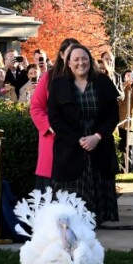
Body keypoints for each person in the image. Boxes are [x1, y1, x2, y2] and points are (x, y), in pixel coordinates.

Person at [47, 44, 120, 223]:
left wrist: (97, 137)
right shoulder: (58, 85)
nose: (81, 63)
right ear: (69, 63)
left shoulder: (103, 82)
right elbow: (55, 119)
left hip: (99, 144)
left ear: (90, 60)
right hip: (70, 147)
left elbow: (113, 115)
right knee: (72, 200)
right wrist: (78, 139)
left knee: (97, 186)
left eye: (84, 58)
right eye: (76, 59)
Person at [30, 39, 79, 190]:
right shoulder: (49, 77)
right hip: (53, 141)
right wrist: (50, 126)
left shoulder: (85, 77)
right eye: (69, 53)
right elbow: (36, 107)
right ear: (62, 54)